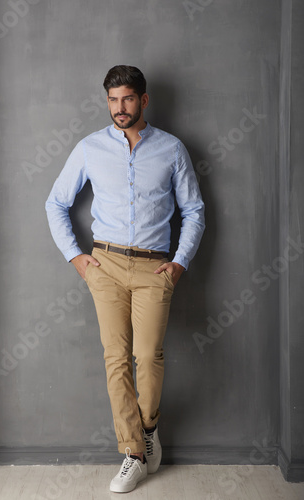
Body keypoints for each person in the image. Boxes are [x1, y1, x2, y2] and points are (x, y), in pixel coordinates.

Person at [45, 65, 205, 493]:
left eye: (128, 99)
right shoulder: (90, 148)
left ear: (144, 100)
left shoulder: (171, 149)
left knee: (148, 356)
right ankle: (133, 452)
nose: (120, 108)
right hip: (106, 266)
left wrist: (180, 262)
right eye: (113, 100)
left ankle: (149, 428)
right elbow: (56, 203)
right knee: (115, 358)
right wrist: (76, 258)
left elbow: (194, 210)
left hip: (155, 267)